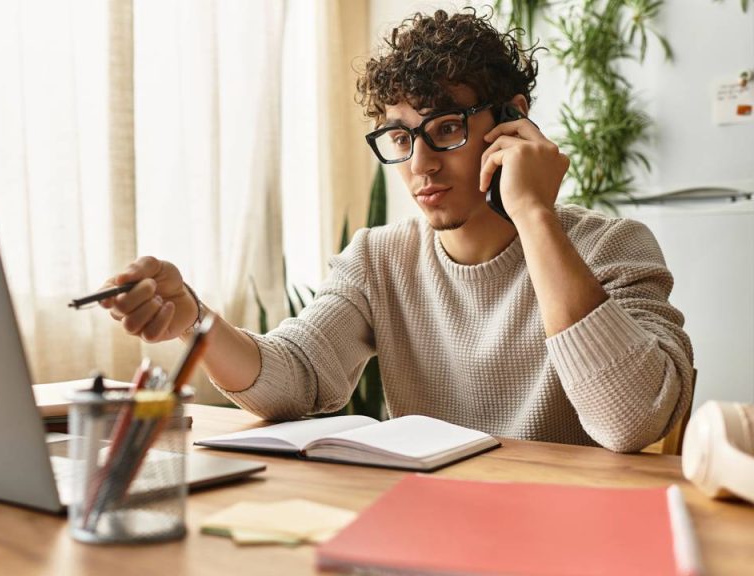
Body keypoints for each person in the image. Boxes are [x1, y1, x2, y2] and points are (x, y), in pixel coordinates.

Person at [98, 9, 693, 453]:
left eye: (446, 128)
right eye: (403, 138)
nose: (421, 165)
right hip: (426, 531)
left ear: (514, 119)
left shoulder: (611, 247)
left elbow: (633, 420)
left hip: (567, 537)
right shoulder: (380, 259)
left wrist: (535, 215)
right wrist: (195, 322)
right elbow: (294, 377)